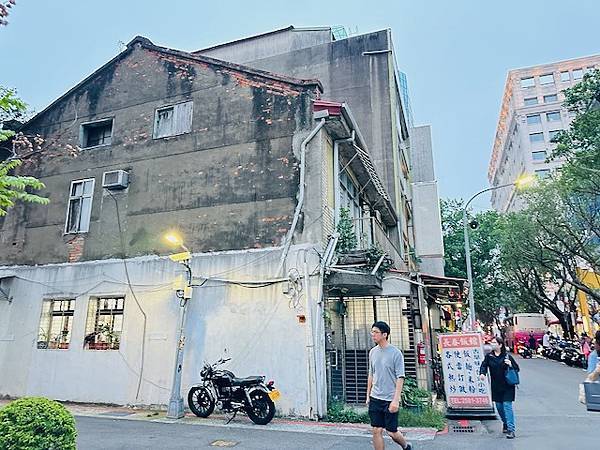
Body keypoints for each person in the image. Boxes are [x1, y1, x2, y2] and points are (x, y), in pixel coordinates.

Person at [366, 321, 412, 450]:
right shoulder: (372, 352)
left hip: (390, 398)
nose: (373, 334)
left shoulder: (395, 353)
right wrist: (368, 395)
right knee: (376, 430)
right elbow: (371, 374)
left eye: (376, 332)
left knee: (391, 432)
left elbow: (400, 377)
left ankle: (406, 445)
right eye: (372, 331)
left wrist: (396, 400)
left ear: (384, 334)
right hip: (376, 396)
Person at [479, 336, 520, 439]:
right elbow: (483, 366)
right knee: (499, 407)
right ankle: (505, 422)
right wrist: (482, 374)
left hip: (508, 386)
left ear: (500, 345)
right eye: (491, 342)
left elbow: (517, 368)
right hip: (496, 386)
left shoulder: (507, 357)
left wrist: (510, 365)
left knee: (507, 406)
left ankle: (511, 430)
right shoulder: (489, 356)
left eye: (494, 342)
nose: (492, 344)